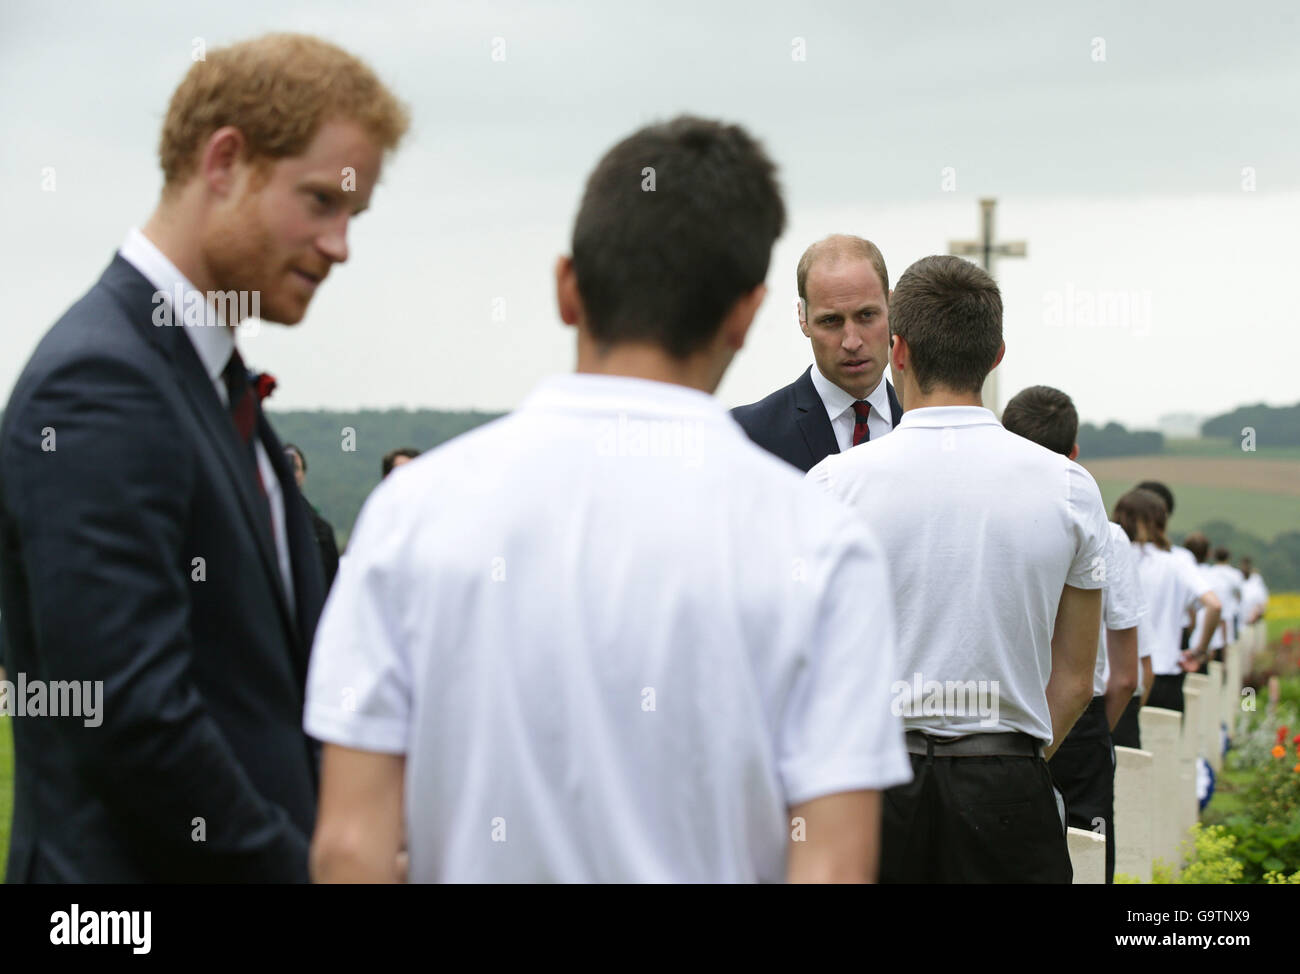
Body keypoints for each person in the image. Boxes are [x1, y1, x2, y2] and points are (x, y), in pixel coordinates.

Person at [304, 116, 911, 884]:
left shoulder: (409, 514)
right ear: (749, 314)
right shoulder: (821, 544)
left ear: (567, 289)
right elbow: (829, 867)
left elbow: (349, 848)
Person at [0, 33, 408, 882]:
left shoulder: (207, 379)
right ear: (225, 161)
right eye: (321, 203)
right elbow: (130, 719)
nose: (341, 247)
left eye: (354, 216)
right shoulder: (100, 382)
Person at [808, 256, 1110, 884]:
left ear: (898, 351)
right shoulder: (1070, 489)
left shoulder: (834, 485)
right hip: (1007, 784)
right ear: (997, 354)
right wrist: (1010, 755)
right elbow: (1078, 677)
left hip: (875, 782)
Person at [1001, 384, 1146, 884]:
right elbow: (1124, 676)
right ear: (1075, 454)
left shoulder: (985, 524)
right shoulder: (1112, 537)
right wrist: (1083, 730)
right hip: (1080, 725)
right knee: (1087, 860)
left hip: (997, 720)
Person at [731, 235, 903, 472]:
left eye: (866, 315)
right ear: (803, 317)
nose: (852, 342)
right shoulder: (748, 437)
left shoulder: (922, 430)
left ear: (891, 308)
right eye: (831, 320)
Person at [1121, 491, 1221, 714]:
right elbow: (1214, 605)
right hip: (1165, 673)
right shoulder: (1177, 561)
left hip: (1118, 676)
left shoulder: (1111, 555)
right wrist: (1199, 651)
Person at [284, 444, 341, 592]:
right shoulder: (263, 522)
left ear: (303, 474)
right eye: (284, 465)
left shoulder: (321, 530)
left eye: (296, 468)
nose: (290, 473)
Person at [1184, 533, 1230, 670]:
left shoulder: (1181, 574)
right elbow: (1221, 617)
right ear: (1208, 554)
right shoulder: (1215, 579)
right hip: (1208, 645)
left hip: (1182, 647)